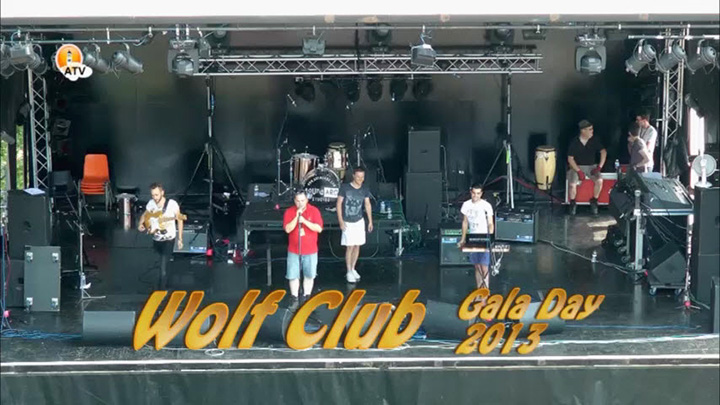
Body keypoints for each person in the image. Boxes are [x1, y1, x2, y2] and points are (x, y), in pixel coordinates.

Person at [283, 190, 323, 310]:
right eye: (298, 201)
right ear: (294, 201)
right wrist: (297, 217)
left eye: (302, 200)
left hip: (310, 250)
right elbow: (288, 229)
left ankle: (307, 296)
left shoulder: (314, 211)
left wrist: (304, 221)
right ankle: (294, 297)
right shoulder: (289, 211)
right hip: (294, 250)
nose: (300, 203)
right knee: (293, 275)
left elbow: (319, 228)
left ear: (307, 200)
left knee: (309, 275)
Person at [138, 183, 183, 290]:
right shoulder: (151, 203)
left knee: (163, 268)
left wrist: (180, 239)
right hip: (156, 239)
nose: (155, 197)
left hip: (169, 239)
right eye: (153, 195)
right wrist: (140, 224)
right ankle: (161, 286)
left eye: (157, 195)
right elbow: (145, 214)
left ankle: (162, 290)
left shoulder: (172, 204)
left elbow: (180, 220)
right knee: (160, 265)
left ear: (162, 193)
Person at [336, 167, 373, 283]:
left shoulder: (365, 189)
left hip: (359, 221)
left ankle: (353, 268)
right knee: (350, 246)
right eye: (358, 177)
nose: (360, 179)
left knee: (357, 245)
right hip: (347, 221)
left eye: (362, 177)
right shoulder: (345, 188)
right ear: (353, 176)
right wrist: (341, 221)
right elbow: (338, 204)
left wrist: (370, 221)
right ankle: (348, 271)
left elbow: (367, 205)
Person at [458, 183, 495, 292]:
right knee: (477, 266)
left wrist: (490, 237)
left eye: (478, 193)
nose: (475, 196)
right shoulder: (466, 205)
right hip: (473, 237)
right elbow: (465, 222)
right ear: (471, 192)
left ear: (481, 194)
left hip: (484, 237)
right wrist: (463, 239)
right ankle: (479, 291)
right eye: (474, 193)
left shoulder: (486, 205)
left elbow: (490, 223)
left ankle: (486, 291)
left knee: (484, 266)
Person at [567, 119, 607, 215]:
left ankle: (594, 201)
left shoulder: (594, 140)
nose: (592, 131)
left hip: (591, 166)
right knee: (572, 184)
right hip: (577, 166)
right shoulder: (575, 142)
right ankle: (572, 203)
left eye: (592, 129)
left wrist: (599, 167)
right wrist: (578, 171)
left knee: (599, 181)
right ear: (583, 131)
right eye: (589, 129)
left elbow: (603, 152)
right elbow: (570, 159)